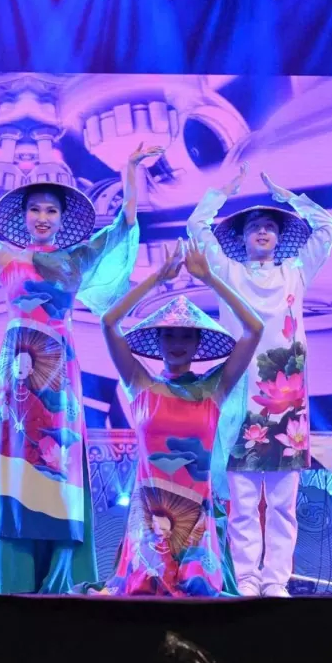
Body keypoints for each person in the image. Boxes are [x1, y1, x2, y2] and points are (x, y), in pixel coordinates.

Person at [0, 126, 160, 594]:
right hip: (15, 371)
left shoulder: (75, 259)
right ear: (24, 216)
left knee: (57, 454)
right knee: (15, 457)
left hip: (61, 369)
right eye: (35, 209)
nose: (42, 216)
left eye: (51, 210)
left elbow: (125, 225)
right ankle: (14, 571)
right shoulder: (6, 256)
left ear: (62, 218)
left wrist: (129, 171)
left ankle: (59, 575)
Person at [187, 165, 332, 598]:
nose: (264, 233)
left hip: (289, 402)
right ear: (243, 237)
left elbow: (328, 228)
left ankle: (276, 581)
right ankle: (248, 579)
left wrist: (290, 197)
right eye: (256, 228)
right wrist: (219, 193)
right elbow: (197, 226)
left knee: (285, 504)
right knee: (244, 502)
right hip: (241, 398)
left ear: (279, 237)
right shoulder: (227, 273)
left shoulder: (295, 272)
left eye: (270, 227)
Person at [87, 241, 263, 596]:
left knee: (197, 594)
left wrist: (210, 278)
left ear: (199, 343)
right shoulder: (141, 384)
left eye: (186, 335)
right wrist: (156, 278)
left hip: (197, 517)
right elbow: (109, 323)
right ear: (158, 340)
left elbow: (254, 330)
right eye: (169, 335)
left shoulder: (214, 387)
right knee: (141, 595)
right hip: (149, 518)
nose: (177, 343)